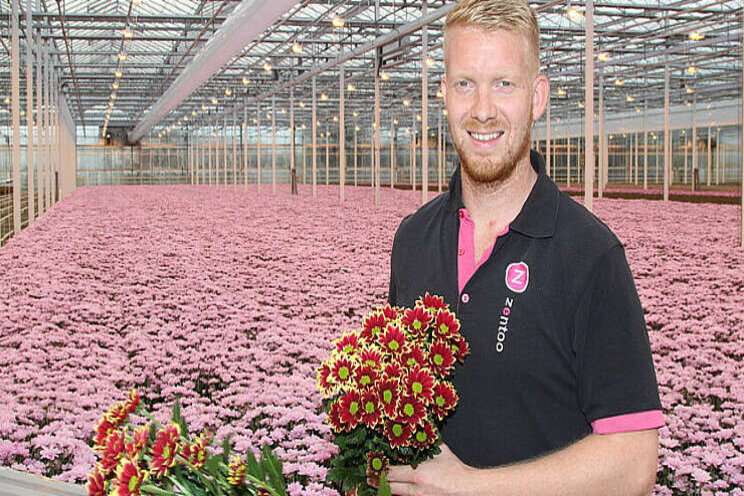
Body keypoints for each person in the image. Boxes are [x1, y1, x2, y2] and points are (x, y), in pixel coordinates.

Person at [383, 0, 664, 494]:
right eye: (465, 84)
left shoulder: (590, 256)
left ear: (537, 97)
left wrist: (466, 487)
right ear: (443, 95)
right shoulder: (413, 239)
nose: (483, 109)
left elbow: (633, 464)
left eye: (504, 84)